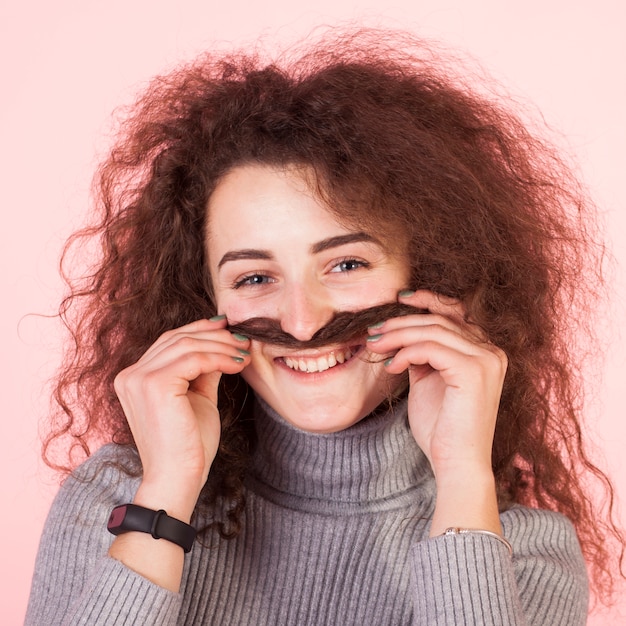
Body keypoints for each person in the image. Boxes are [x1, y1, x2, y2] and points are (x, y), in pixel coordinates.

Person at [26, 28, 623, 625]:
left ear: (434, 275)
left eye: (346, 264)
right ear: (201, 307)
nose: (304, 321)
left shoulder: (526, 554)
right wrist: (168, 493)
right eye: (255, 278)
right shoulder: (118, 499)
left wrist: (462, 478)